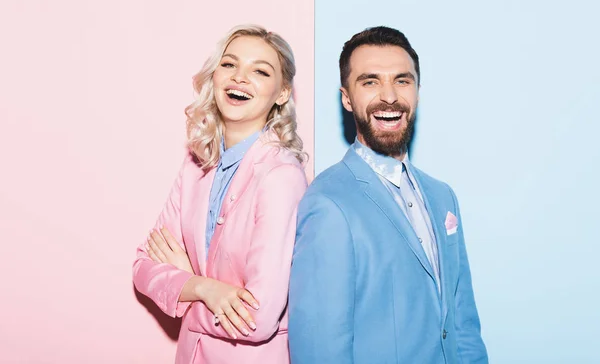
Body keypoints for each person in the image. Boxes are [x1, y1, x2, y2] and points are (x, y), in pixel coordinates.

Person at [288, 26, 488, 364]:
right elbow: (320, 349)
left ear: (418, 91)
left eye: (402, 80)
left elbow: (461, 323)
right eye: (370, 82)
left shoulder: (443, 197)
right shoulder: (328, 204)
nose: (390, 96)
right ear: (347, 98)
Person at [133, 25, 308, 364]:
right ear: (214, 76)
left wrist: (181, 286)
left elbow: (256, 319)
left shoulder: (281, 177)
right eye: (229, 65)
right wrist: (204, 287)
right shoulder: (197, 163)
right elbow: (143, 265)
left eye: (260, 70)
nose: (240, 78)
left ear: (282, 93)